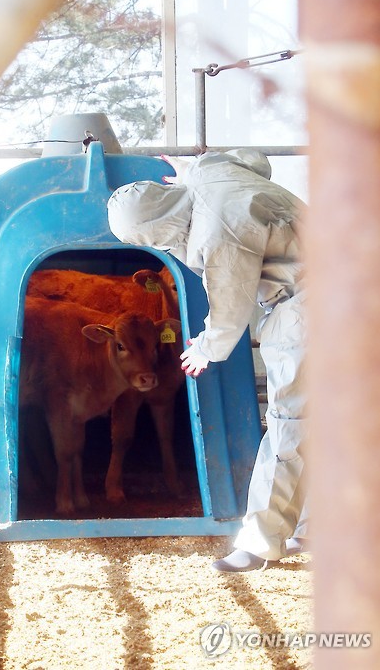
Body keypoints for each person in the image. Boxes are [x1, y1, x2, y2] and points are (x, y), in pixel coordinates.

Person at [107, 149, 308, 572]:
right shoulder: (210, 172)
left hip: (313, 306)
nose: (161, 245)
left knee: (292, 423)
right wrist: (188, 171)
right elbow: (255, 161)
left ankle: (259, 542)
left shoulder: (216, 235)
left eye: (154, 240)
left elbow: (230, 310)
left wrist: (202, 349)